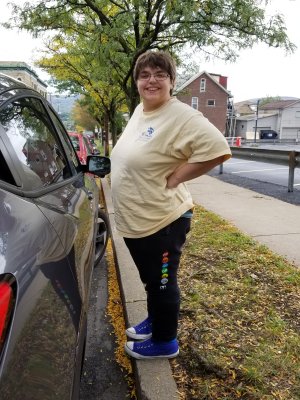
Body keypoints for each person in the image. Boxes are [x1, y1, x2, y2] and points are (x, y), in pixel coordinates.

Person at [110, 50, 231, 360]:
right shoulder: (141, 110)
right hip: (139, 218)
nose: (152, 81)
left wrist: (178, 176)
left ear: (172, 81)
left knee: (163, 283)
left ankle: (165, 341)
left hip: (162, 221)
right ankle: (156, 319)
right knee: (152, 280)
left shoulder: (182, 116)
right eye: (145, 75)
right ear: (137, 82)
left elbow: (217, 149)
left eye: (160, 75)